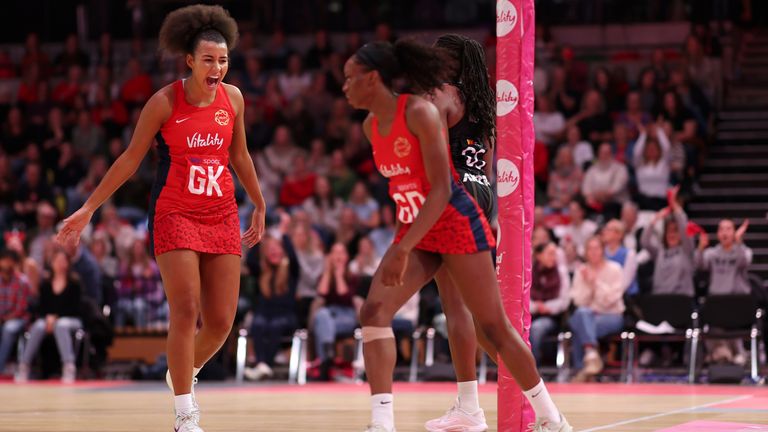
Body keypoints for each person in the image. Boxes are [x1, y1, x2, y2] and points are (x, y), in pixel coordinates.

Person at [55, 5, 266, 432]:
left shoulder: (235, 99)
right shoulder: (165, 101)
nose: (217, 67)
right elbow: (130, 159)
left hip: (222, 212)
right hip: (175, 213)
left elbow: (239, 155)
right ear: (189, 60)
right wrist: (88, 208)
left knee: (222, 321)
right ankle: (185, 413)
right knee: (185, 310)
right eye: (208, 59)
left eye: (223, 59)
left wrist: (260, 204)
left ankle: (181, 373)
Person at [343, 39, 571, 432]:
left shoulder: (431, 101)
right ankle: (388, 422)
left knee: (490, 326)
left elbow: (437, 182)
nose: (344, 87)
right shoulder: (469, 103)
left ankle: (551, 417)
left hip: (454, 206)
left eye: (350, 79)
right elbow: (411, 186)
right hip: (447, 204)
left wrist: (402, 247)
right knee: (380, 311)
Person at [16, 248, 82, 384]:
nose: (59, 264)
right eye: (57, 261)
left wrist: (55, 317)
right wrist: (48, 317)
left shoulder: (74, 283)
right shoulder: (46, 284)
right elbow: (42, 307)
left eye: (63, 261)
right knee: (38, 326)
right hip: (49, 319)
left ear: (68, 263)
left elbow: (76, 308)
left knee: (61, 325)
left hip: (72, 319)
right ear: (51, 263)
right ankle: (24, 365)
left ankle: (68, 366)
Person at [569, 236, 625, 382]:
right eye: (590, 249)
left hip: (611, 316)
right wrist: (588, 286)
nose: (593, 252)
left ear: (602, 250)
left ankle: (583, 367)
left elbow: (611, 300)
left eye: (596, 248)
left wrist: (595, 282)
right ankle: (591, 358)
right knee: (582, 316)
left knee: (579, 325)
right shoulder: (581, 271)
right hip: (588, 315)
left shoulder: (615, 269)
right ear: (586, 252)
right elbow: (578, 301)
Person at [0, 249, 31, 375]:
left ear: (15, 263)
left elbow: (21, 309)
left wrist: (5, 318)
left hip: (17, 319)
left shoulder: (22, 282)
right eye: (4, 260)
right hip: (2, 317)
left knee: (8, 329)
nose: (6, 264)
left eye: (10, 261)